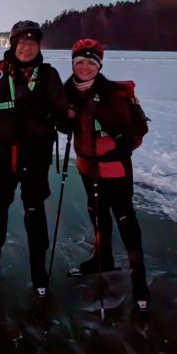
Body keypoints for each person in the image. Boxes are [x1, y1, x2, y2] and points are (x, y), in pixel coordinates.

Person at [0, 20, 67, 297]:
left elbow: (64, 114)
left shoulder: (49, 74)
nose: (27, 48)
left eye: (33, 43)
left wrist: (62, 116)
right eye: (22, 43)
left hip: (36, 156)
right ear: (14, 44)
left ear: (38, 47)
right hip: (2, 156)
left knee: (34, 211)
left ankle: (39, 273)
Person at [63, 38, 151, 310]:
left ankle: (140, 281)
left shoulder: (112, 93)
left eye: (91, 62)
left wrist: (121, 138)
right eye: (80, 62)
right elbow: (66, 126)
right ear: (73, 64)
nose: (85, 67)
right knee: (97, 213)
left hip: (114, 167)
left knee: (125, 219)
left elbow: (137, 129)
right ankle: (103, 259)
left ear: (99, 65)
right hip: (87, 166)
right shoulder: (68, 92)